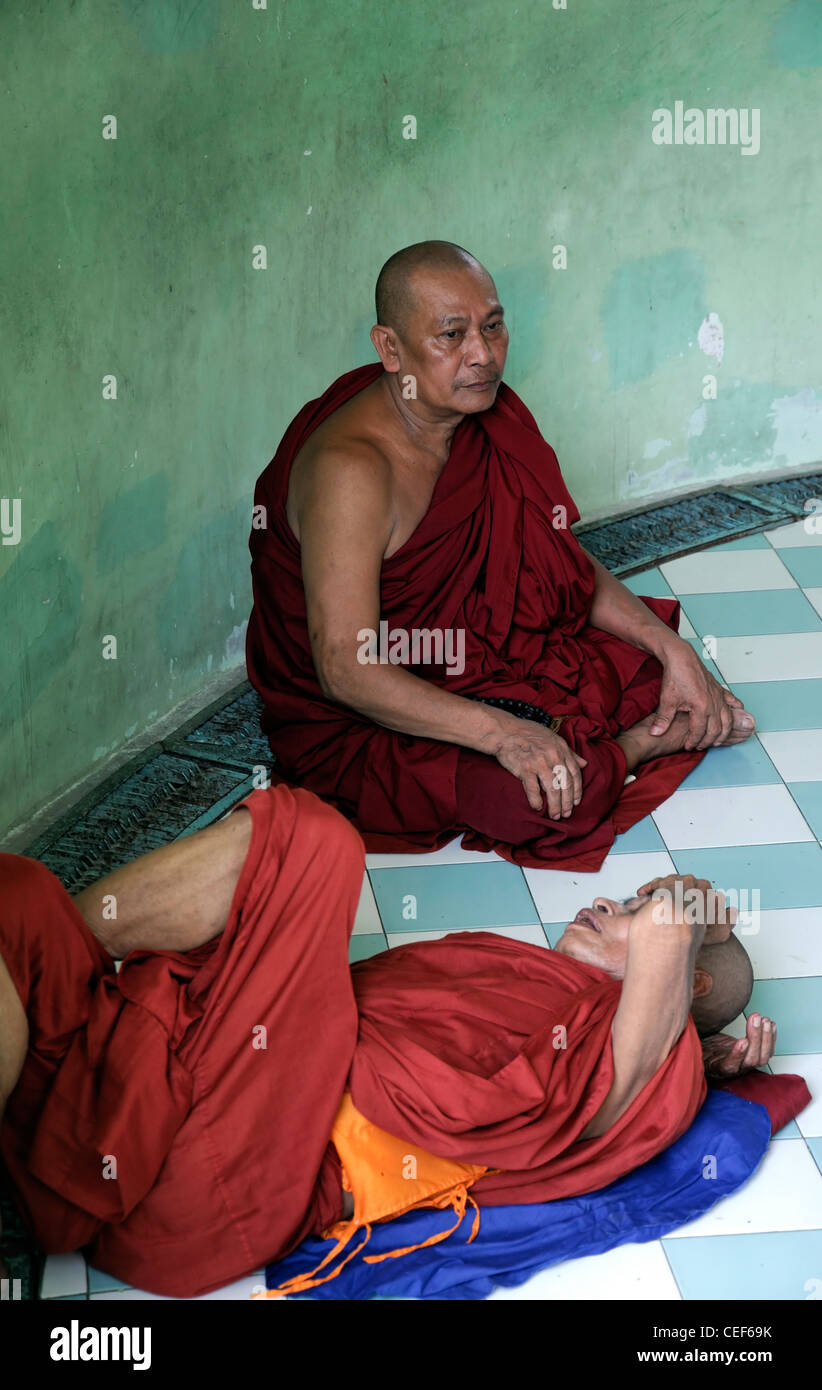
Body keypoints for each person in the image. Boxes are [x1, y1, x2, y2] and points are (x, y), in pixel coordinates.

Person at [0, 786, 772, 1299]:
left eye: (634, 906)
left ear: (688, 985)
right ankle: (66, 975)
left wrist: (697, 910)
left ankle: (71, 1014)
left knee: (315, 839)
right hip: (192, 1073)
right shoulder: (518, 972)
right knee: (20, 896)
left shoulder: (639, 1062)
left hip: (223, 1164)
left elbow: (668, 941)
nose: (609, 900)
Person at [246, 240, 756, 871]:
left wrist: (669, 648)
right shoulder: (353, 471)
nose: (483, 356)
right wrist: (505, 734)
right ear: (390, 349)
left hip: (484, 659)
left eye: (493, 326)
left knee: (654, 675)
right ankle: (639, 747)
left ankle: (615, 736)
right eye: (451, 335)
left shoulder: (484, 418)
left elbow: (553, 559)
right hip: (366, 714)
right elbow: (347, 672)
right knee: (540, 798)